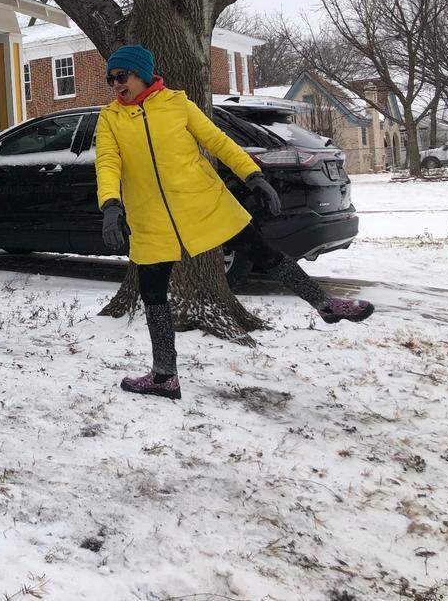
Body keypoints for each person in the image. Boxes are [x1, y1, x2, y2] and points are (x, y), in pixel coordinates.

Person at [95, 45, 373, 401]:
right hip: (149, 216)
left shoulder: (178, 105)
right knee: (152, 294)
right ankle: (164, 375)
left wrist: (253, 176)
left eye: (122, 76)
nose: (116, 85)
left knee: (263, 252)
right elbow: (107, 163)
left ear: (142, 75)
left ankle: (325, 304)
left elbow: (218, 142)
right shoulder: (110, 119)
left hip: (204, 202)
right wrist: (111, 205)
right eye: (111, 79)